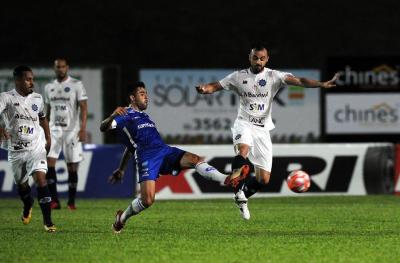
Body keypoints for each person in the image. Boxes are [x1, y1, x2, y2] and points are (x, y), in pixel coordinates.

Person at [195, 44, 338, 220]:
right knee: (243, 151)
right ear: (250, 57)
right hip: (244, 123)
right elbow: (216, 86)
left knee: (263, 179)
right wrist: (204, 89)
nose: (258, 61)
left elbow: (300, 81)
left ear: (267, 59)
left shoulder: (274, 76)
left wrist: (322, 84)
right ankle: (237, 183)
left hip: (263, 130)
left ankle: (242, 196)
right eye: (255, 58)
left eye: (262, 58)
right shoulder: (238, 77)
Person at [100, 81, 249, 233]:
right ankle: (122, 218)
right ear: (132, 97)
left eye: (147, 94)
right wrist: (113, 114)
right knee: (148, 200)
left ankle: (226, 179)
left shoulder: (145, 117)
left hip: (164, 151)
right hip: (147, 157)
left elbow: (130, 148)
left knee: (195, 159)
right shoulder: (125, 114)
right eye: (142, 94)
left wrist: (121, 169)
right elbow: (103, 127)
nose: (146, 97)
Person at [0, 66, 56, 232]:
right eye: (28, 79)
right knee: (22, 185)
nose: (32, 82)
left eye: (32, 78)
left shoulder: (37, 98)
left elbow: (42, 118)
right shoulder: (6, 98)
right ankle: (28, 203)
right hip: (16, 150)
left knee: (41, 179)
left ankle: (48, 222)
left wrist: (48, 137)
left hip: (35, 146)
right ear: (17, 80)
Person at [43, 58, 88, 210]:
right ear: (54, 68)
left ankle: (71, 201)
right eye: (57, 67)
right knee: (49, 164)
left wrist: (82, 129)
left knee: (72, 167)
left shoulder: (76, 85)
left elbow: (84, 107)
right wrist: (45, 131)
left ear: (67, 68)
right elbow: (47, 111)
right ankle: (54, 201)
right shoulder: (49, 86)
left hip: (72, 131)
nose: (60, 69)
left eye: (62, 67)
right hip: (54, 130)